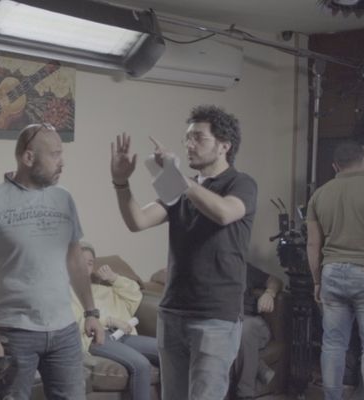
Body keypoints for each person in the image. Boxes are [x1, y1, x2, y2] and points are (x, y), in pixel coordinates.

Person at [110, 105, 258, 400]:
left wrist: (180, 179)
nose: (189, 145)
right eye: (187, 138)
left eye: (198, 138)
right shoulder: (180, 187)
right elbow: (137, 221)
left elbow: (224, 213)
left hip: (215, 316)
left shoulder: (241, 183)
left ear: (224, 146)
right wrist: (121, 182)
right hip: (173, 312)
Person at [0, 123, 104, 400]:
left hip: (64, 331)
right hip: (13, 332)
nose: (62, 162)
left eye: (61, 153)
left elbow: (75, 260)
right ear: (28, 157)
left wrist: (91, 312)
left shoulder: (64, 198)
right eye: (54, 154)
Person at [306, 141, 364, 400]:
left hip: (331, 272)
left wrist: (317, 282)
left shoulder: (319, 195)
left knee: (333, 345)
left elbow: (313, 244)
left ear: (335, 166)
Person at [72, 242, 159, 400]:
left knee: (167, 351)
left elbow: (135, 296)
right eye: (81, 262)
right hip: (96, 338)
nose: (86, 267)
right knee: (141, 364)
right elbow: (76, 322)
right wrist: (110, 321)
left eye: (90, 263)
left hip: (123, 335)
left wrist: (114, 278)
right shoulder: (68, 292)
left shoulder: (105, 289)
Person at [230, 264, 283, 400]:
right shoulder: (206, 270)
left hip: (251, 322)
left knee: (245, 329)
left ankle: (244, 394)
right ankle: (261, 369)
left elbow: (275, 280)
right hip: (227, 325)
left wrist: (269, 293)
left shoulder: (243, 267)